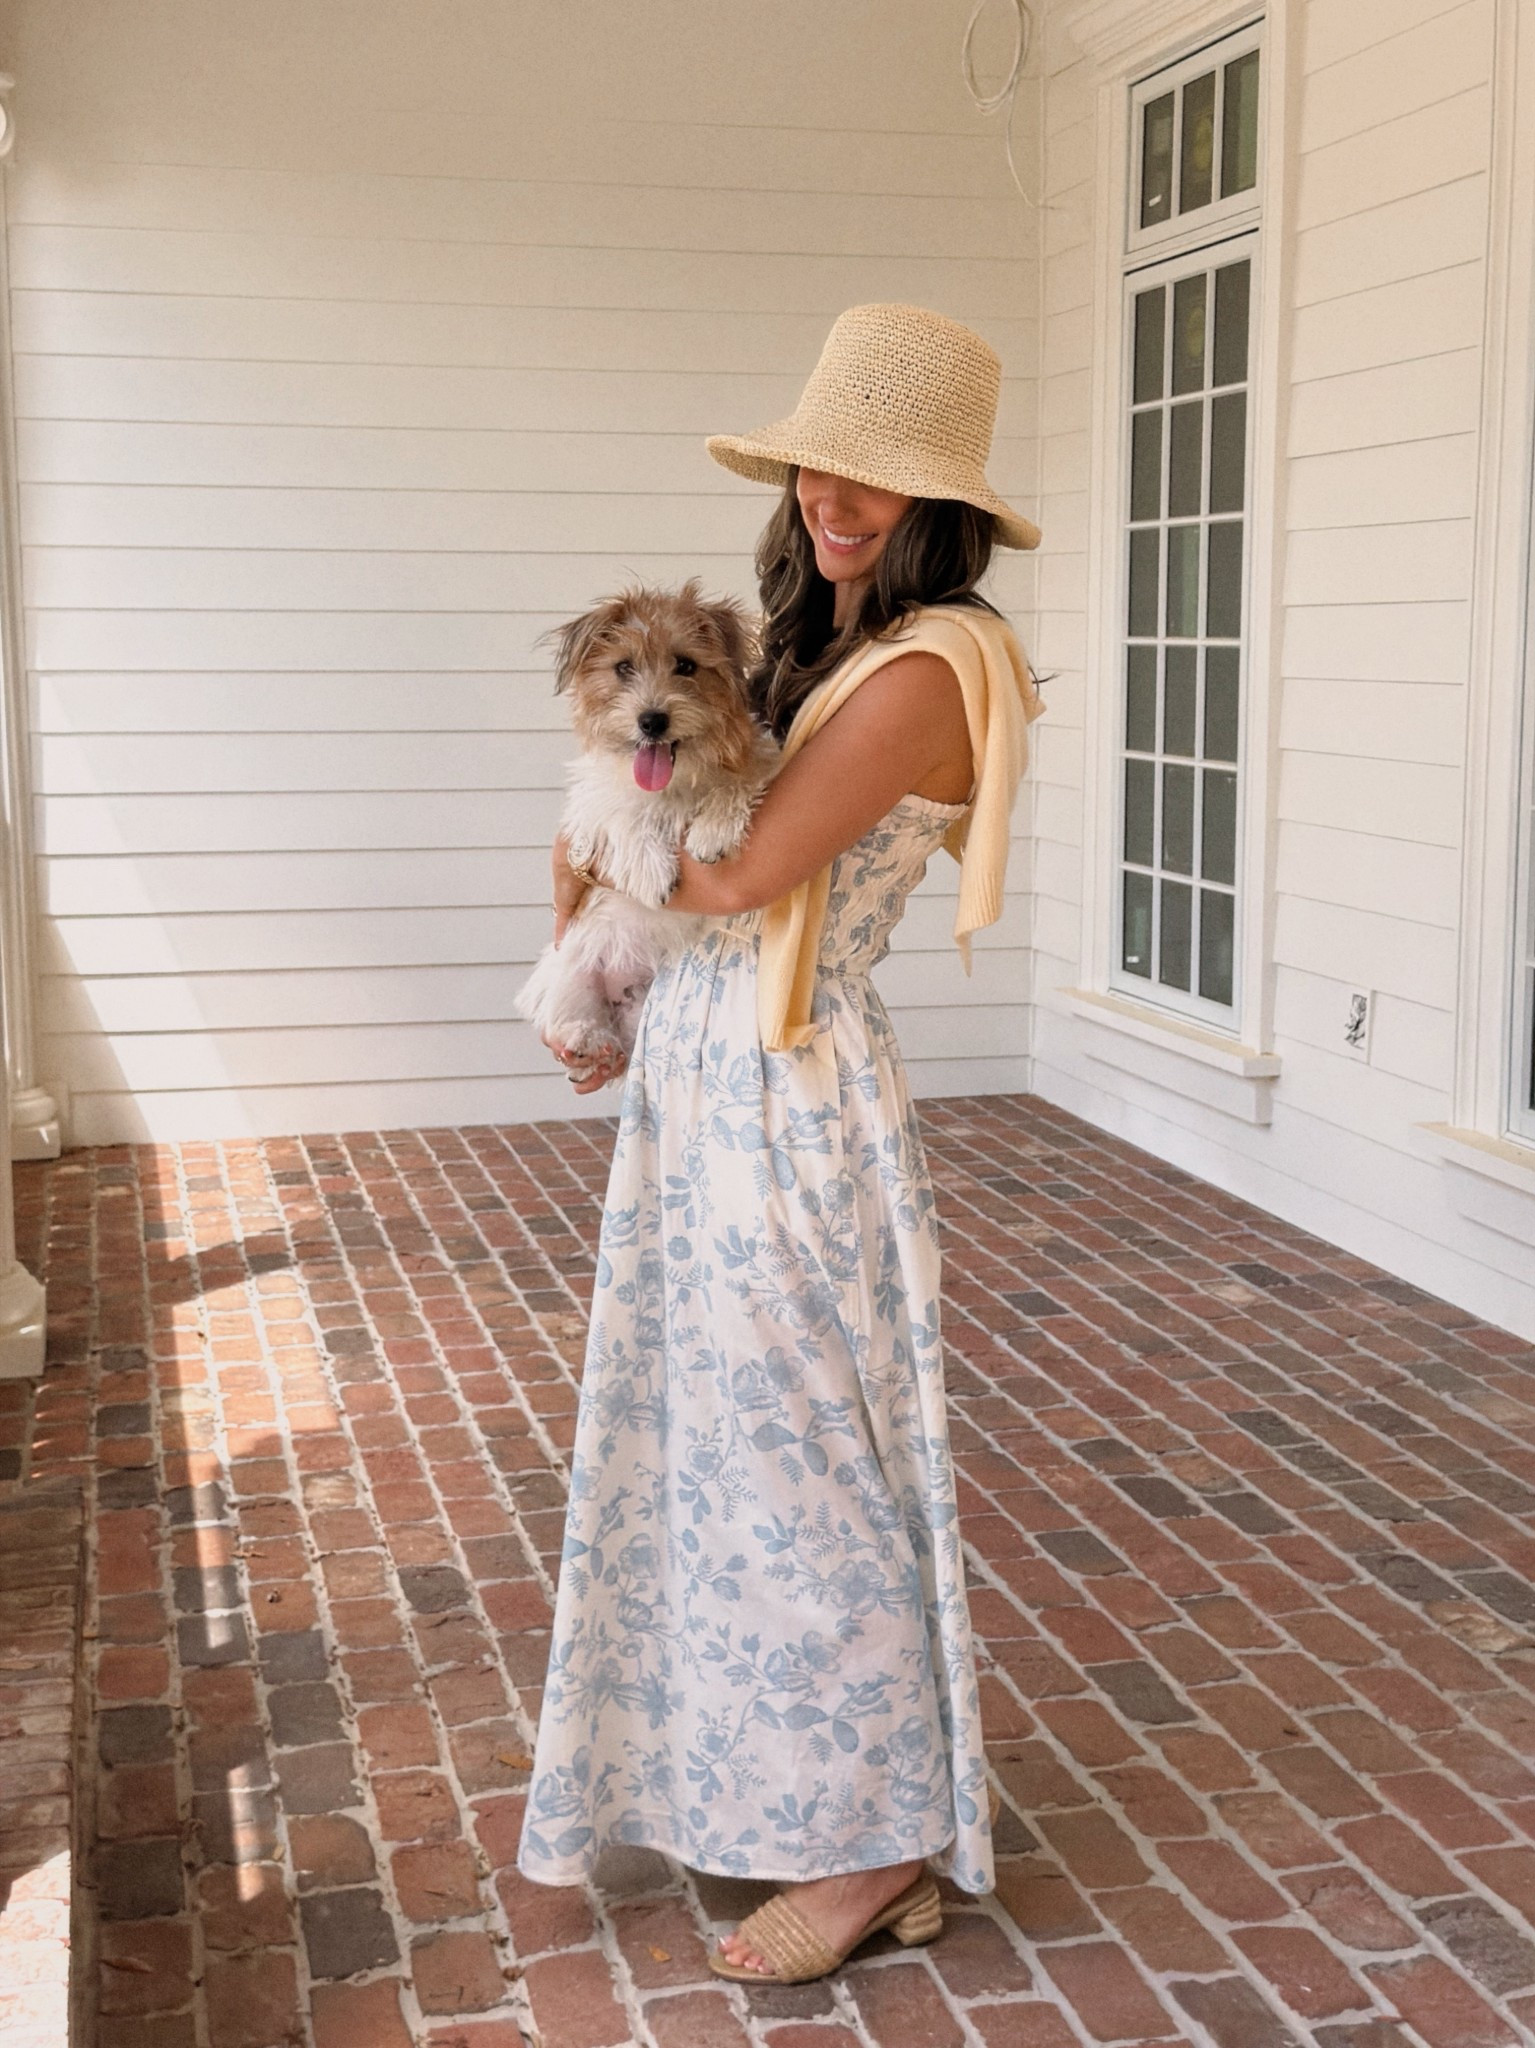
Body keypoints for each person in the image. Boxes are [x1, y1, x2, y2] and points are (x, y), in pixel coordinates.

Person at [516, 303, 1045, 1984]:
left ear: (940, 501)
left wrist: (592, 846)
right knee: (732, 1469)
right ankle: (779, 1778)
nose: (840, 496)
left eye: (882, 476)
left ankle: (885, 1842)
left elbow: (736, 877)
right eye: (826, 460)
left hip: (792, 1096)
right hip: (712, 1076)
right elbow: (680, 842)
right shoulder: (809, 651)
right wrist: (603, 960)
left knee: (813, 1473)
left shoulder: (928, 667)